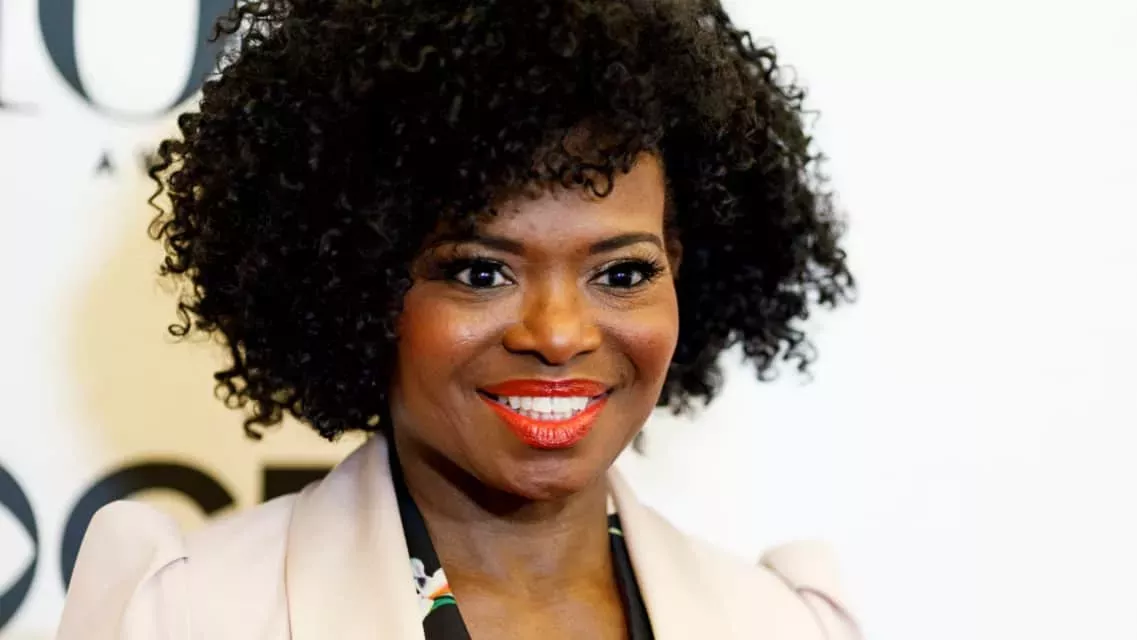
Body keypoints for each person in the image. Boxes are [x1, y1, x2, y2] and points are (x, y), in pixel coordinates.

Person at [57, 0, 858, 638]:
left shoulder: (777, 623)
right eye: (480, 272)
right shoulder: (187, 616)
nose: (559, 334)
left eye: (621, 273)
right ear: (363, 286)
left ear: (678, 270)